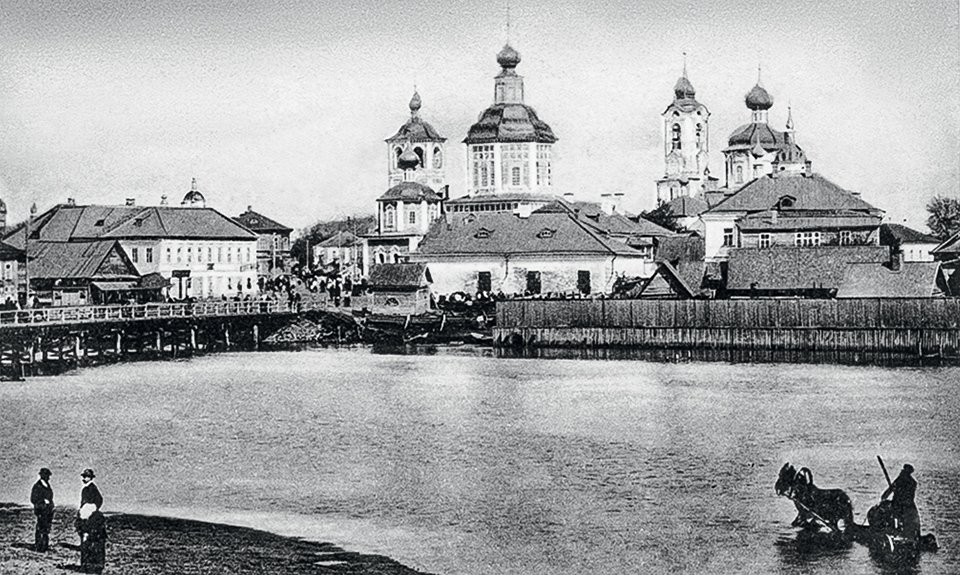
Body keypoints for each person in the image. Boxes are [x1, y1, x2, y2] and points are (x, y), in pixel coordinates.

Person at [76, 469, 106, 573]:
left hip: (89, 517)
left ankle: (88, 565)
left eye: (86, 477)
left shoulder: (91, 488)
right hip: (86, 516)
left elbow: (99, 500)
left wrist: (90, 509)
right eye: (83, 476)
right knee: (86, 540)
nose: (84, 479)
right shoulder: (86, 488)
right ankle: (86, 565)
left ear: (91, 478)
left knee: (87, 540)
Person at [880, 463, 920, 540]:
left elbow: (890, 491)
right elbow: (889, 491)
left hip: (900, 505)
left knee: (895, 517)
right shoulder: (909, 481)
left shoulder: (902, 480)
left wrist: (885, 497)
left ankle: (895, 533)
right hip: (907, 505)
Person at [30, 468, 54, 552]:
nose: (48, 477)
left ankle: (45, 545)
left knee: (46, 528)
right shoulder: (37, 486)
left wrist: (51, 505)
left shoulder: (47, 485)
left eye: (48, 475)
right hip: (41, 510)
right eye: (46, 475)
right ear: (42, 475)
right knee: (41, 528)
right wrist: (43, 501)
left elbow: (50, 497)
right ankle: (39, 546)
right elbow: (33, 499)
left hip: (48, 510)